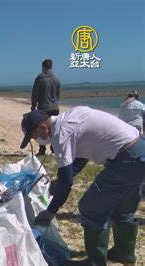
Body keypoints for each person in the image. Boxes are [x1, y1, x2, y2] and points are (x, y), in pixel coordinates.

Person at [20, 107, 144, 265]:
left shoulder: (61, 134)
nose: (36, 139)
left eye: (34, 136)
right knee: (122, 208)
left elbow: (67, 183)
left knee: (90, 208)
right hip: (139, 150)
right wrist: (62, 180)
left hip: (126, 159)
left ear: (43, 128)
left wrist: (50, 211)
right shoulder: (71, 117)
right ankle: (124, 254)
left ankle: (95, 262)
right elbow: (82, 157)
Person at [30, 59, 61, 156]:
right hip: (55, 107)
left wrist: (33, 106)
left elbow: (35, 94)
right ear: (51, 67)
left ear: (44, 67)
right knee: (54, 129)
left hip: (43, 107)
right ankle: (54, 150)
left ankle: (42, 150)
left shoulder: (39, 78)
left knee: (42, 129)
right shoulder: (56, 79)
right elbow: (58, 94)